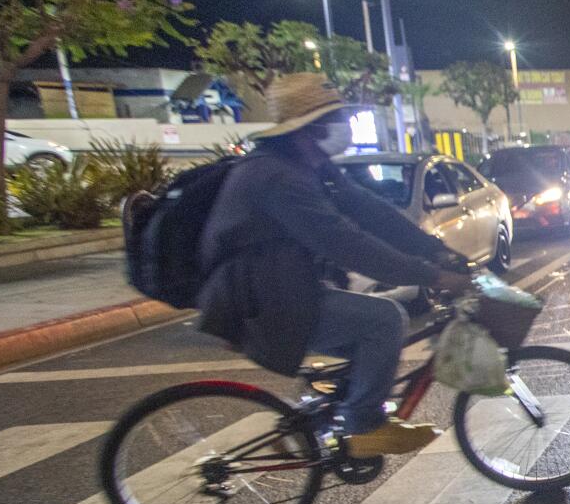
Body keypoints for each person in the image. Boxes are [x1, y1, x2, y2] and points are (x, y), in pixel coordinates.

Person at [196, 73, 476, 457]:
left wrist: (435, 249)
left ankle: (313, 420)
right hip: (259, 300)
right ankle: (362, 427)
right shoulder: (275, 177)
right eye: (332, 120)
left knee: (368, 341)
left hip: (284, 286)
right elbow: (347, 244)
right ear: (306, 130)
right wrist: (433, 275)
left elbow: (371, 212)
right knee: (385, 321)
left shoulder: (311, 166)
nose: (341, 128)